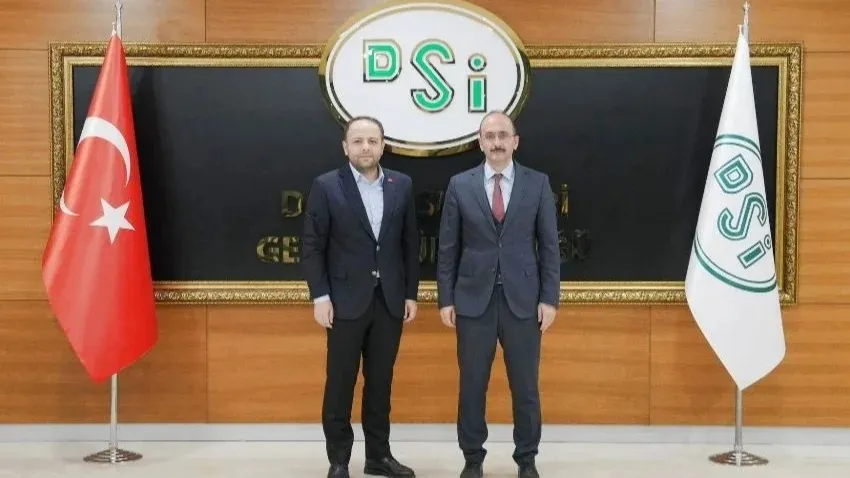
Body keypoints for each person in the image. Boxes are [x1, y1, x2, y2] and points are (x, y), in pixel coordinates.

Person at [436, 111, 560, 478]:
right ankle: (472, 458)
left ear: (515, 141)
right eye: (489, 136)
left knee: (526, 387)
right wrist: (446, 298)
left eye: (503, 135)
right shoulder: (460, 184)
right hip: (473, 301)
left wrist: (549, 298)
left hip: (524, 302)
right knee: (473, 384)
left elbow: (549, 247)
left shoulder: (538, 183)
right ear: (480, 142)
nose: (497, 142)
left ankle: (527, 459)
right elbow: (448, 248)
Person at [301, 115, 420, 478]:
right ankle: (339, 460)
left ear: (383, 146)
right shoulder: (326, 186)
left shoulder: (401, 185)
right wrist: (320, 296)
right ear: (345, 147)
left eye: (372, 141)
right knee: (341, 382)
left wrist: (410, 294)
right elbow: (312, 246)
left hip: (389, 301)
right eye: (358, 141)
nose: (365, 147)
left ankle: (378, 457)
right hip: (343, 302)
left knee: (380, 383)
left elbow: (409, 243)